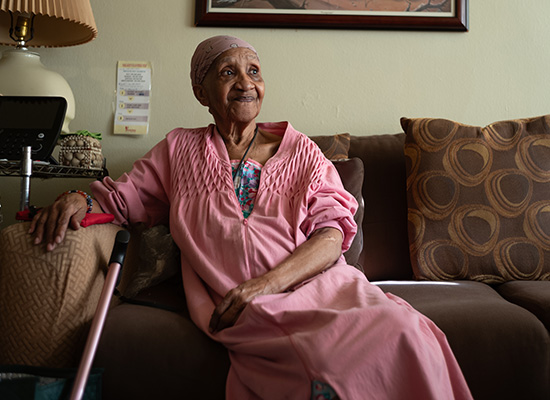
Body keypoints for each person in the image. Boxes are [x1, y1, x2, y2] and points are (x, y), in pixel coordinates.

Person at [29, 35, 472, 400]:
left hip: (321, 288)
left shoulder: (301, 151)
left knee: (409, 332)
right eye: (228, 72)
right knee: (324, 367)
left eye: (254, 72)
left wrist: (265, 283)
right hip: (252, 309)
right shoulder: (179, 150)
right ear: (201, 92)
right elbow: (121, 198)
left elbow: (332, 233)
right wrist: (77, 199)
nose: (245, 83)